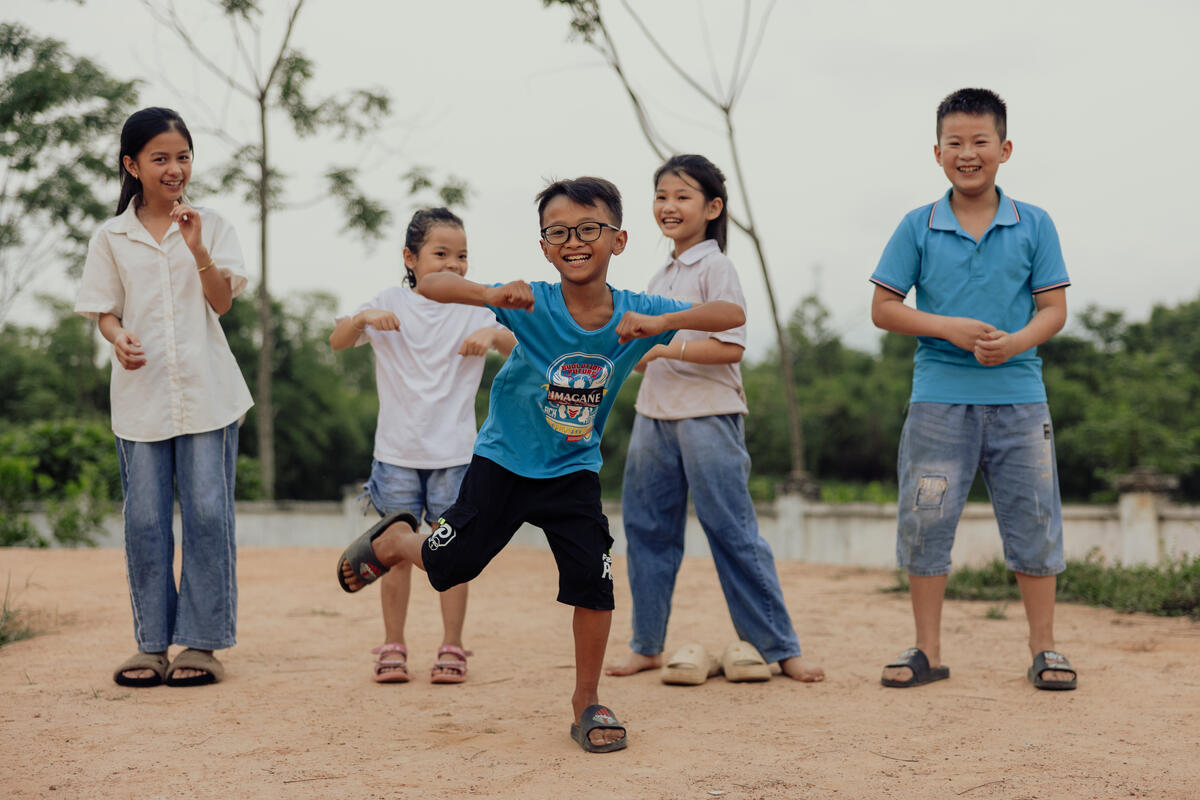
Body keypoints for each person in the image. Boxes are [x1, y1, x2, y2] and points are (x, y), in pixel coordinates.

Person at [334, 176, 745, 752]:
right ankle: (400, 539)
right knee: (450, 565)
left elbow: (729, 312)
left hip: (573, 470)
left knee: (594, 580)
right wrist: (489, 295)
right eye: (558, 232)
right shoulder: (532, 302)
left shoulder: (639, 310)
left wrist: (658, 327)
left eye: (588, 229)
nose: (574, 241)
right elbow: (431, 283)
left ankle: (586, 700)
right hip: (503, 462)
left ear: (618, 240)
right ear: (546, 246)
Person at [869, 88, 1076, 691]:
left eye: (980, 141)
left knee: (1035, 520)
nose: (968, 153)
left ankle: (1046, 649)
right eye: (954, 143)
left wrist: (1014, 342)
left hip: (1020, 396)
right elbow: (884, 308)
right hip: (937, 398)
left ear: (1004, 148)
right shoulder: (918, 225)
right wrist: (947, 328)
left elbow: (1054, 310)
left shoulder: (1035, 223)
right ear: (937, 153)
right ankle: (926, 652)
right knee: (925, 520)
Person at [603, 154, 824, 686]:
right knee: (648, 532)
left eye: (682, 197)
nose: (669, 207)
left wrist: (661, 347)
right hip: (654, 416)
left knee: (732, 532)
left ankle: (781, 648)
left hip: (710, 417)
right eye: (661, 196)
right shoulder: (660, 273)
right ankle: (647, 645)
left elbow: (730, 345)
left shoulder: (716, 266)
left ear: (712, 207)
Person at [75, 107, 252, 688]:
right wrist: (116, 335)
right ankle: (151, 645)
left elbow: (222, 303)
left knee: (206, 513)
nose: (175, 169)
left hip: (208, 394)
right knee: (146, 520)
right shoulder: (111, 236)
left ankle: (201, 643)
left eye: (183, 156)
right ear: (132, 165)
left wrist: (196, 247)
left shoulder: (213, 224)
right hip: (141, 398)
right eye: (160, 158)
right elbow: (105, 311)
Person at [329, 207, 515, 684]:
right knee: (395, 558)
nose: (453, 265)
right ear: (410, 257)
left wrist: (494, 333)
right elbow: (337, 340)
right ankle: (394, 645)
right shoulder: (390, 300)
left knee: (453, 552)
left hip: (455, 454)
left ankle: (452, 645)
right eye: (440, 254)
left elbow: (519, 346)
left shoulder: (477, 307)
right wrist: (363, 317)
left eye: (462, 256)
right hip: (396, 454)